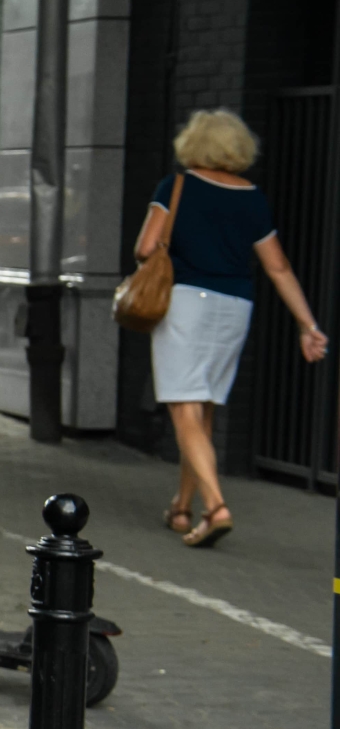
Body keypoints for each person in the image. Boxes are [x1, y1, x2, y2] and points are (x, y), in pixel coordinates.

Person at [133, 109, 327, 547]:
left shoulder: (176, 186)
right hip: (236, 307)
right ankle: (181, 509)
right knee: (201, 409)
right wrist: (307, 325)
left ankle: (216, 507)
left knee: (183, 407)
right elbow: (277, 266)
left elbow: (146, 247)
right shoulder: (253, 198)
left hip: (185, 302)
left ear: (193, 144)